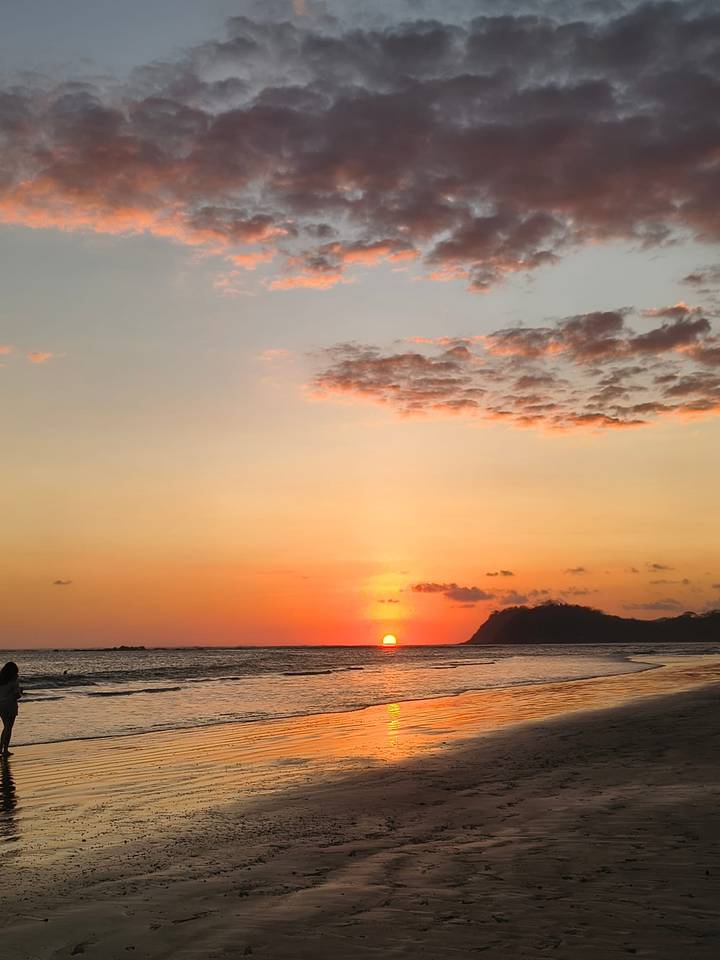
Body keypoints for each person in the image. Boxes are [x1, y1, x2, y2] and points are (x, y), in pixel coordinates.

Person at [0, 662, 22, 757]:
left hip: (0, 705)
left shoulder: (0, 680)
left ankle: (1, 748)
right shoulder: (14, 680)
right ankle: (5, 749)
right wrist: (20, 692)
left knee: (6, 728)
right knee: (8, 728)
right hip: (10, 705)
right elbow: (16, 696)